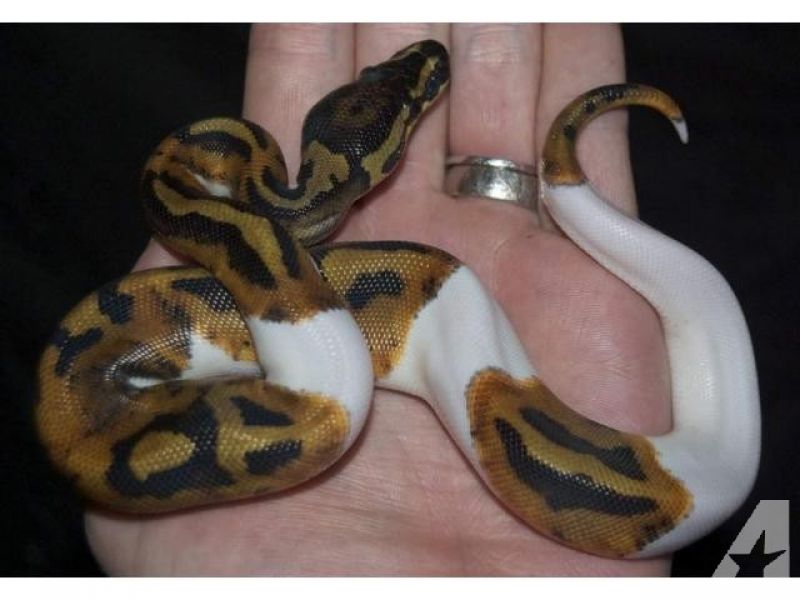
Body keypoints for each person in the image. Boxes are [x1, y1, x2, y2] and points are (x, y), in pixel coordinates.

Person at [85, 23, 672, 576]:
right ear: (381, 164)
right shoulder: (256, 209)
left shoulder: (243, 181)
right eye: (407, 105)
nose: (418, 97)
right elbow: (767, 548)